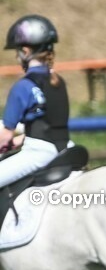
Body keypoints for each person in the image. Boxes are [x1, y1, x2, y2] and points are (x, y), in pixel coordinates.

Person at [0, 15, 68, 186]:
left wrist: (7, 141)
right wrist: (19, 140)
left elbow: (5, 136)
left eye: (17, 52)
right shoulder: (59, 82)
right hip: (66, 148)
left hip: (39, 153)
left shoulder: (23, 87)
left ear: (26, 51)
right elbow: (49, 126)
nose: (17, 57)